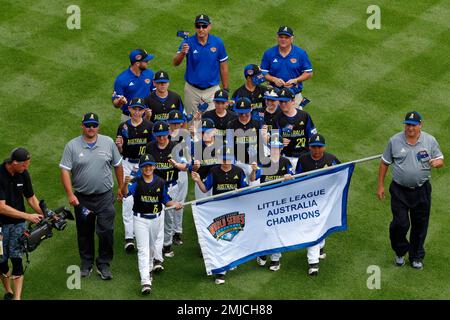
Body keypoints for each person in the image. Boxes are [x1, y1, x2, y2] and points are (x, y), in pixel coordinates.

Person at [60, 113, 124, 280]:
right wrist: (70, 194)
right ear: (82, 126)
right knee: (84, 232)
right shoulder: (72, 146)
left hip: (104, 197)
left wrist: (121, 187)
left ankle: (103, 264)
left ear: (98, 126)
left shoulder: (108, 143)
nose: (91, 128)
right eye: (88, 125)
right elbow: (65, 171)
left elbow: (118, 166)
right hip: (82, 199)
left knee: (106, 231)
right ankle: (86, 263)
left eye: (94, 125)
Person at [377, 111, 444, 270]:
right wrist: (380, 185)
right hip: (399, 190)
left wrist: (437, 163)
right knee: (400, 224)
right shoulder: (394, 141)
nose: (410, 128)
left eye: (413, 125)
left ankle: (416, 257)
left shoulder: (430, 141)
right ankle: (400, 251)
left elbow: (440, 159)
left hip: (422, 190)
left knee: (420, 225)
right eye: (408, 124)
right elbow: (384, 163)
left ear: (420, 125)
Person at [122, 154, 183, 295]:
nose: (148, 168)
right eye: (145, 166)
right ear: (141, 168)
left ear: (154, 166)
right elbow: (125, 194)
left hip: (156, 219)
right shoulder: (136, 181)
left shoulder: (160, 182)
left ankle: (149, 268)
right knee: (143, 250)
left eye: (150, 165)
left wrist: (175, 204)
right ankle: (145, 281)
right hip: (140, 219)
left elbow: (165, 200)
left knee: (151, 246)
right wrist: (125, 183)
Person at [191, 147, 248, 284]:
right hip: (218, 209)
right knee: (221, 237)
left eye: (228, 159)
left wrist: (239, 192)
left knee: (233, 235)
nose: (226, 161)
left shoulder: (239, 171)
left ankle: (231, 260)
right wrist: (198, 180)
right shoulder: (214, 170)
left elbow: (245, 189)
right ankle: (221, 272)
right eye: (224, 158)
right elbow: (205, 189)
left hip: (234, 207)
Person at [0, 148, 43, 300]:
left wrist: (45, 215)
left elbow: (31, 198)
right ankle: (9, 292)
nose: (26, 168)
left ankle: (17, 298)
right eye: (24, 165)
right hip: (1, 227)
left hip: (18, 224)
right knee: (2, 262)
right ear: (14, 163)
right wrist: (28, 216)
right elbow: (1, 207)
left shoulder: (22, 174)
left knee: (17, 260)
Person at [295, 133, 341, 275]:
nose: (316, 150)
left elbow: (341, 175)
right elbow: (297, 179)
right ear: (309, 147)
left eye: (319, 147)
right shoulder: (303, 159)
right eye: (314, 147)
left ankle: (320, 246)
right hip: (308, 200)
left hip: (326, 200)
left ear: (324, 147)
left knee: (321, 225)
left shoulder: (332, 160)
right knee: (313, 226)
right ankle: (313, 263)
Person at [146, 121, 188, 263]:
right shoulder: (150, 148)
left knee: (169, 217)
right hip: (154, 187)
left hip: (171, 186)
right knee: (155, 216)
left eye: (164, 136)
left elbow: (186, 166)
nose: (162, 139)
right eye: (159, 136)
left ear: (168, 134)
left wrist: (177, 165)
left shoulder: (176, 148)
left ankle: (167, 245)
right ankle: (153, 244)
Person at [115, 98, 154, 252]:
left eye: (140, 109)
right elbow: (120, 152)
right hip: (127, 163)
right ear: (129, 109)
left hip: (144, 166)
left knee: (144, 196)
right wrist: (119, 147)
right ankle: (129, 237)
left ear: (144, 111)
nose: (137, 112)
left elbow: (152, 148)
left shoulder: (149, 126)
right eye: (134, 109)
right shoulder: (123, 126)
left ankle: (141, 231)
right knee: (128, 200)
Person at [250, 138, 294, 271]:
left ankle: (275, 258)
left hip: (280, 200)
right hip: (264, 199)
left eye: (278, 148)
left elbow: (293, 177)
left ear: (281, 149)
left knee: (278, 229)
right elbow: (253, 178)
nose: (276, 150)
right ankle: (263, 253)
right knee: (264, 228)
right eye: (273, 148)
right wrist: (253, 171)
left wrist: (289, 177)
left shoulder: (286, 162)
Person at [173, 14, 229, 114]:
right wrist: (182, 53)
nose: (201, 29)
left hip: (212, 91)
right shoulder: (188, 42)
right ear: (195, 27)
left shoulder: (217, 42)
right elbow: (175, 63)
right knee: (193, 125)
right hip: (192, 91)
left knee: (211, 124)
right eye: (198, 26)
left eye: (204, 26)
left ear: (209, 27)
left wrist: (225, 89)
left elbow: (223, 66)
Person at [261, 26, 313, 106]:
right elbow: (263, 73)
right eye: (281, 37)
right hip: (274, 96)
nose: (283, 40)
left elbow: (309, 73)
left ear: (292, 39)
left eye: (286, 37)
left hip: (293, 96)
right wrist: (274, 79)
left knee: (294, 117)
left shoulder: (300, 53)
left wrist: (295, 80)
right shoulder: (269, 53)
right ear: (277, 38)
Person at [273, 88, 317, 170]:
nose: (283, 104)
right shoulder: (276, 118)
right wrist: (280, 141)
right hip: (286, 158)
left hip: (304, 157)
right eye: (281, 102)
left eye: (286, 101)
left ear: (293, 101)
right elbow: (274, 141)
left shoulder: (304, 116)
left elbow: (312, 136)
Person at [226, 97, 267, 184]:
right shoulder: (231, 125)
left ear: (251, 109)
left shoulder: (258, 124)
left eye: (246, 113)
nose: (243, 116)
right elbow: (229, 146)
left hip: (255, 163)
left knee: (255, 190)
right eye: (241, 113)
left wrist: (265, 136)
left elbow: (264, 145)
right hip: (239, 164)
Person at [112, 49, 155, 122]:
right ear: (137, 64)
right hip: (128, 118)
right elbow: (115, 104)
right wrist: (120, 101)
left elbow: (155, 93)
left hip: (146, 116)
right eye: (146, 61)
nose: (148, 62)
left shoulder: (150, 74)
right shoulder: (121, 79)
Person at [167, 110, 190, 245]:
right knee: (169, 202)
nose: (175, 126)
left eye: (178, 123)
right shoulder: (163, 136)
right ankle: (168, 232)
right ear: (168, 123)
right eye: (173, 123)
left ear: (181, 123)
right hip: (168, 173)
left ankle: (177, 231)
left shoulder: (186, 135)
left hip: (182, 172)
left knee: (180, 202)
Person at [191, 118, 220, 200]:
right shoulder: (196, 147)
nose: (204, 135)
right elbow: (192, 169)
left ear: (214, 131)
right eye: (202, 132)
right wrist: (195, 167)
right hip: (201, 182)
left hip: (219, 182)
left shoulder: (222, 145)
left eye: (208, 132)